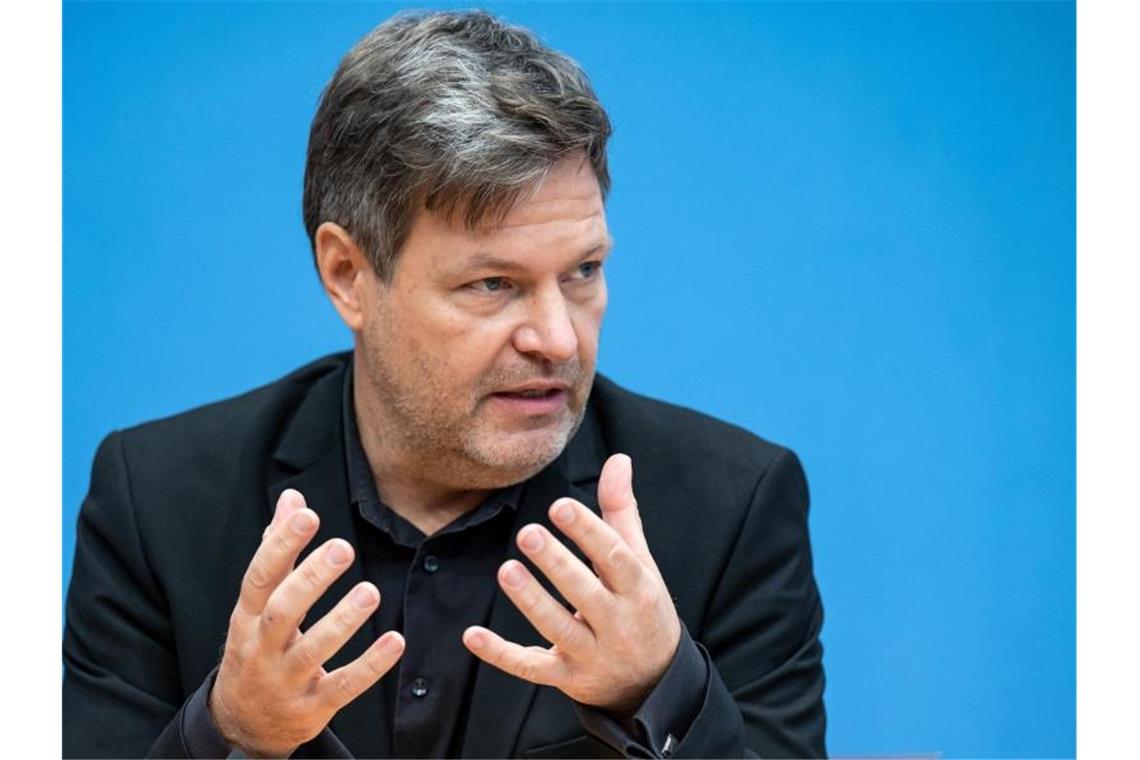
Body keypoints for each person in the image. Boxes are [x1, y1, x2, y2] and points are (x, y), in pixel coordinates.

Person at [63, 10, 826, 759]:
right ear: (348, 275)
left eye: (583, 271)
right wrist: (229, 734)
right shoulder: (156, 503)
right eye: (493, 284)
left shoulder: (733, 509)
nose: (558, 338)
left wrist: (661, 689)